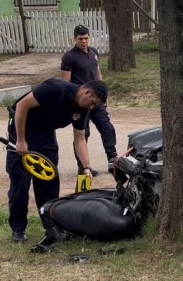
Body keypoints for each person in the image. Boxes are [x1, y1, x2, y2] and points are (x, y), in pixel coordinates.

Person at [6, 78, 108, 242]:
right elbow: (21, 106)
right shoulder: (54, 88)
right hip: (23, 129)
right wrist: (20, 140)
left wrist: (86, 167)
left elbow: (80, 139)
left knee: (49, 181)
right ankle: (18, 229)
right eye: (92, 102)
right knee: (21, 183)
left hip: (46, 134)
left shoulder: (82, 109)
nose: (91, 107)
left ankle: (51, 228)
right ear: (87, 92)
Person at [61, 24, 118, 175]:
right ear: (74, 38)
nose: (83, 41)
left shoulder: (93, 52)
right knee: (83, 134)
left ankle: (113, 161)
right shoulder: (69, 57)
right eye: (80, 39)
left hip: (96, 101)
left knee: (107, 128)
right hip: (82, 102)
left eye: (86, 38)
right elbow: (65, 83)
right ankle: (83, 166)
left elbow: (98, 74)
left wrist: (103, 95)